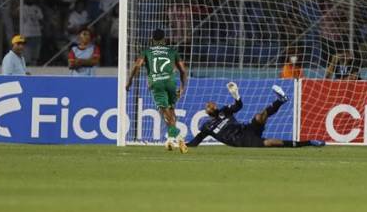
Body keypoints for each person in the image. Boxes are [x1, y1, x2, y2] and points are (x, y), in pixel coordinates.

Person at [186, 82, 325, 148]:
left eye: (211, 105)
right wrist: (182, 145)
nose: (209, 106)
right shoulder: (207, 126)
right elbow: (195, 141)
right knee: (271, 142)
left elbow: (239, 106)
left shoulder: (224, 112)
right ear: (207, 112)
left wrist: (236, 95)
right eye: (207, 106)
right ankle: (309, 143)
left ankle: (281, 100)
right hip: (240, 141)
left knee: (260, 116)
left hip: (245, 129)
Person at [124, 29, 190, 152]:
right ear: (164, 39)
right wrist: (182, 87)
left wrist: (130, 81)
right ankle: (170, 140)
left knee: (165, 112)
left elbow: (137, 66)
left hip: (156, 83)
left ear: (152, 39)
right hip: (171, 82)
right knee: (171, 109)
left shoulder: (147, 51)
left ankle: (179, 136)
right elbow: (183, 70)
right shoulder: (172, 51)